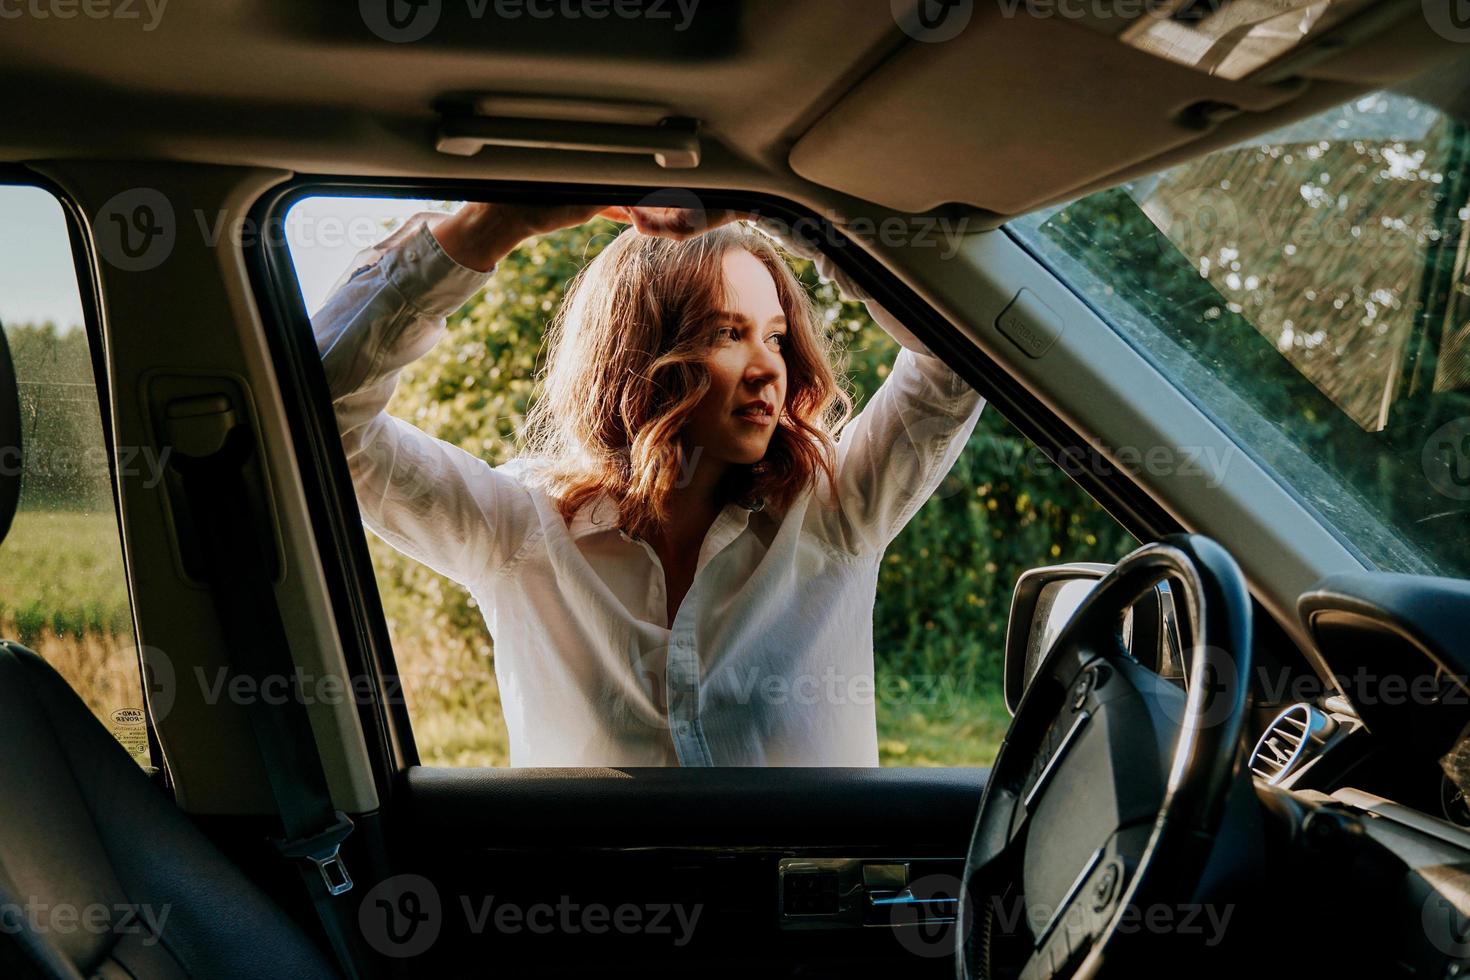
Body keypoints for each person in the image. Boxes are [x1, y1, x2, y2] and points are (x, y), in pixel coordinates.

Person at [312, 201, 985, 766]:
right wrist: (495, 225)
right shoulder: (518, 526)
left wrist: (776, 207)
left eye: (776, 338)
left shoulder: (836, 508)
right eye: (728, 333)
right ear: (640, 354)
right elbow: (320, 414)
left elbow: (956, 354)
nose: (766, 370)